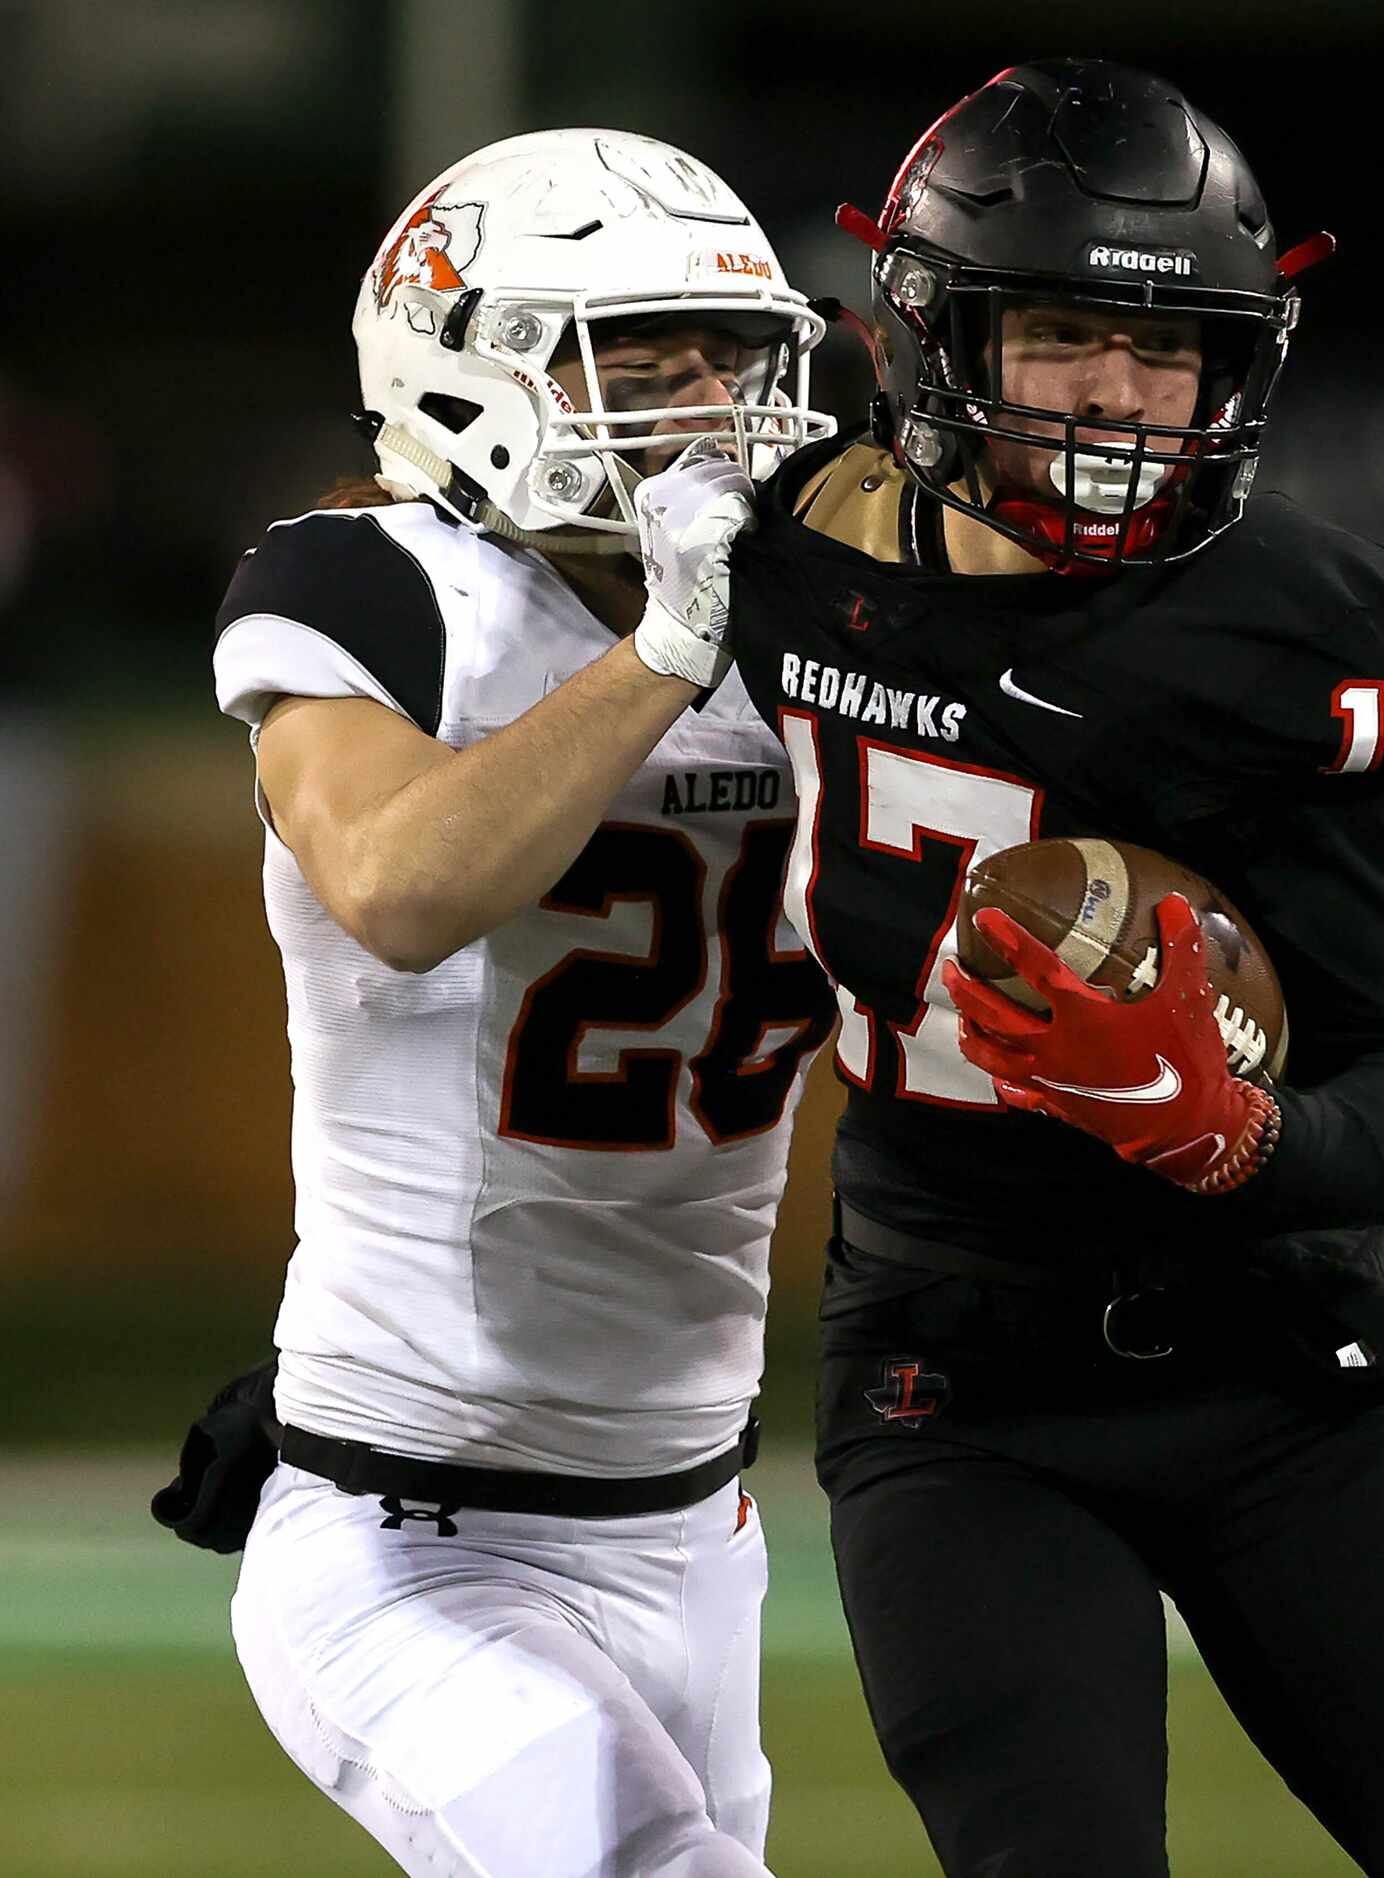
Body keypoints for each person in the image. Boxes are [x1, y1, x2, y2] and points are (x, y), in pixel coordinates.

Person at [632, 59, 1384, 1877]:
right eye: (1072, 333)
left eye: (1171, 354)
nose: (1123, 400)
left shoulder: (1297, 638)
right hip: (953, 1368)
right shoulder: (764, 554)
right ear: (932, 337)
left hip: (1280, 1360)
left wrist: (1238, 1132)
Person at [197, 129, 837, 1878]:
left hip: (700, 1522)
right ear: (464, 363)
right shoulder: (377, 589)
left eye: (733, 359)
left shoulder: (815, 621)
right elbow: (400, 890)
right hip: (414, 1529)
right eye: (638, 359)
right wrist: (662, 656)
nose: (706, 410)